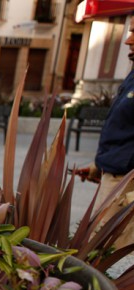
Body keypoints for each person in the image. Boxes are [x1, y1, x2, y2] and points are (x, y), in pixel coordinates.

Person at [76, 22, 134, 249]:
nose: (128, 40)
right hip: (116, 176)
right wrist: (100, 165)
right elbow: (126, 132)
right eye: (130, 32)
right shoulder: (132, 77)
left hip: (125, 183)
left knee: (96, 249)